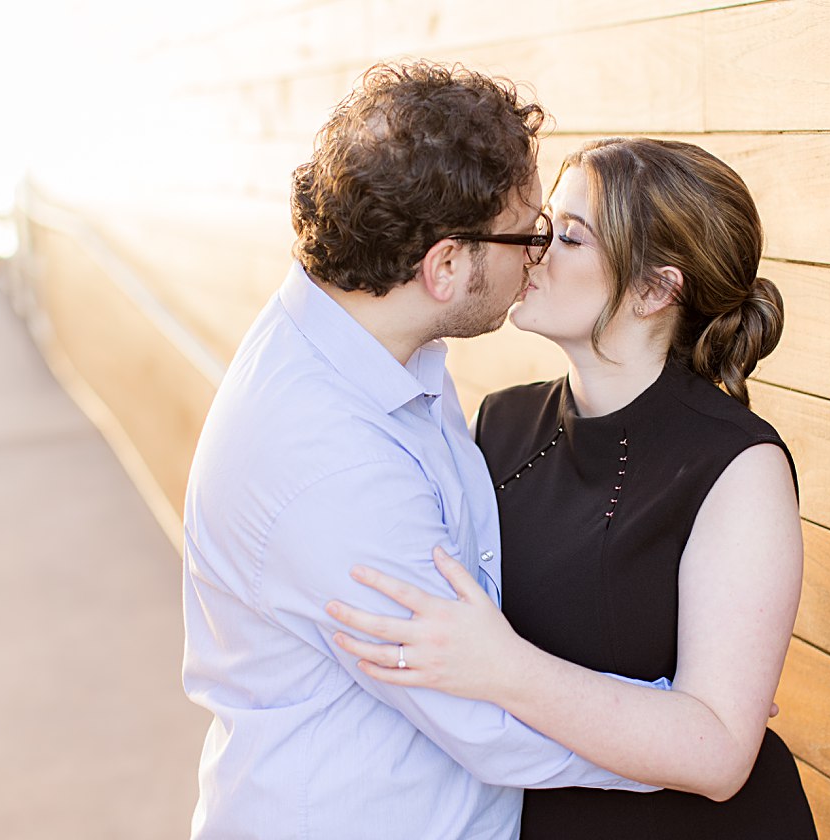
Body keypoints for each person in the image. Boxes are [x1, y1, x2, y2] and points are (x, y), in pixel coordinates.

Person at [180, 63, 670, 840]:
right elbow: (486, 721)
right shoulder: (330, 464)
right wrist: (684, 732)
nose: (537, 255)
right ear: (444, 267)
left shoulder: (370, 343)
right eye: (527, 234)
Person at [327, 137, 819, 837]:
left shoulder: (738, 466)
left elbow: (717, 753)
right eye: (544, 225)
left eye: (570, 237)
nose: (534, 247)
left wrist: (504, 669)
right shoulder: (500, 419)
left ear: (654, 289)